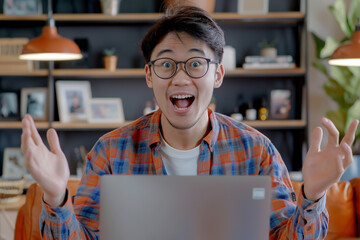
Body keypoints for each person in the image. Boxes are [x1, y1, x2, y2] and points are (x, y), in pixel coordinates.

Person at [21, 6, 358, 240]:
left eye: (196, 64)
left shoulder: (256, 151)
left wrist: (312, 196)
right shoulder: (111, 150)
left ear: (218, 74)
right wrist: (55, 197)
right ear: (149, 76)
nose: (180, 77)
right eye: (166, 65)